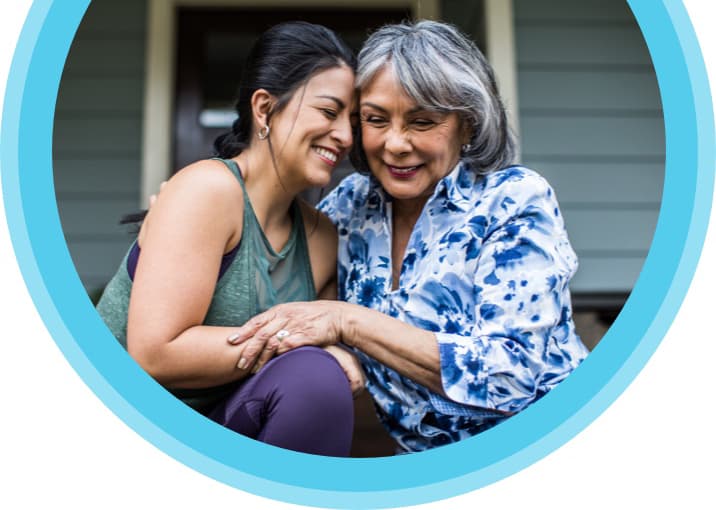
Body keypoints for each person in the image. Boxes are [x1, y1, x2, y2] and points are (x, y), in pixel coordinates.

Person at [225, 20, 590, 453]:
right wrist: (194, 208)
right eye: (376, 119)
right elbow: (276, 273)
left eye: (422, 121)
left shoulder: (512, 200)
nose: (396, 144)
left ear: (467, 125)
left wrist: (349, 322)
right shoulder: (349, 206)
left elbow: (509, 376)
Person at [96, 21, 364, 456]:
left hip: (219, 434)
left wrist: (335, 352)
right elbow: (155, 354)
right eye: (329, 112)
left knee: (315, 379)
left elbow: (328, 350)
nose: (347, 137)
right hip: (124, 423)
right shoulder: (208, 190)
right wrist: (297, 344)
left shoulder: (322, 238)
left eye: (352, 121)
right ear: (264, 109)